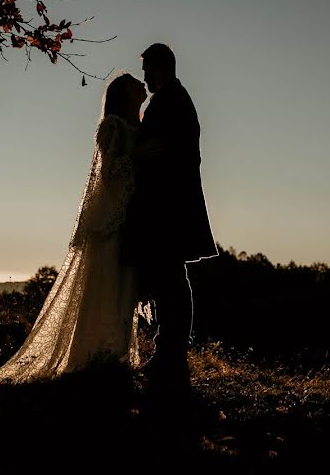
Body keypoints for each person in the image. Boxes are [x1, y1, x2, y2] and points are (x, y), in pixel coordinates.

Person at [0, 73, 148, 385]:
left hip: (131, 220)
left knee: (125, 290)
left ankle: (117, 355)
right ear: (123, 94)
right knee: (107, 286)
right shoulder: (113, 126)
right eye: (135, 83)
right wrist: (137, 160)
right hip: (113, 222)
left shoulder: (139, 126)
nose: (143, 85)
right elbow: (109, 173)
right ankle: (95, 356)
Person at [125, 43, 217, 398]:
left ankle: (172, 356)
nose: (145, 77)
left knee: (171, 281)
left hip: (169, 204)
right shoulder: (171, 99)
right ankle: (169, 353)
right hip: (171, 202)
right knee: (170, 279)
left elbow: (163, 154)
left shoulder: (170, 102)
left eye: (148, 69)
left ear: (162, 67)